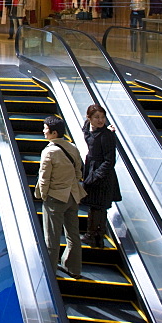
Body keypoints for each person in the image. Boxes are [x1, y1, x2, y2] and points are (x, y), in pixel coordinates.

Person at [35, 116, 84, 279]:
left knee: (52, 239)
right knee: (73, 235)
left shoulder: (49, 152)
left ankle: (50, 272)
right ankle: (74, 268)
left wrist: (43, 195)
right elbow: (78, 172)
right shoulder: (73, 148)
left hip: (55, 198)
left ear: (54, 132)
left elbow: (44, 178)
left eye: (45, 129)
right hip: (72, 196)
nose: (43, 131)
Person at [82, 105, 121, 248]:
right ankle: (91, 235)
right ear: (89, 118)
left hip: (102, 175)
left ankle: (96, 236)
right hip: (93, 170)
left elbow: (110, 160)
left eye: (102, 117)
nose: (100, 120)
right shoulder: (90, 130)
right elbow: (85, 129)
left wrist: (96, 176)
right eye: (96, 117)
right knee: (94, 206)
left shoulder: (106, 135)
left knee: (99, 207)